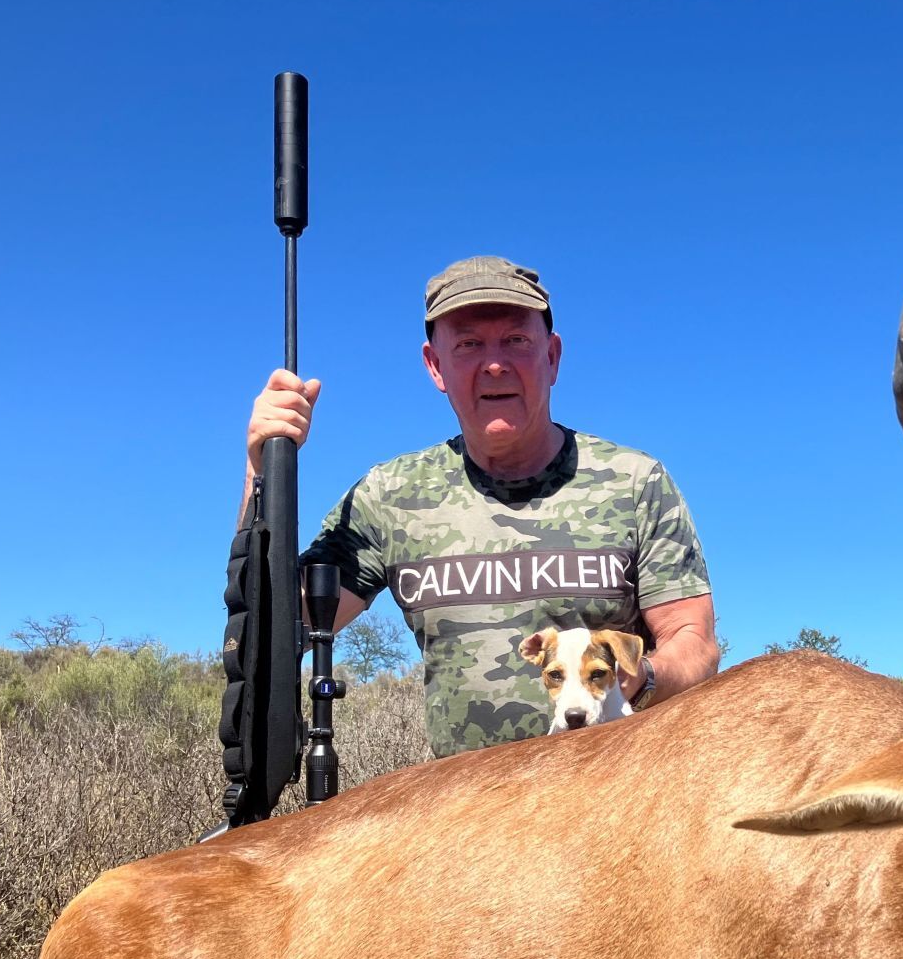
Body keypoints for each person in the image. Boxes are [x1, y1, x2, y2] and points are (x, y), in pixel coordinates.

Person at [239, 256, 719, 758]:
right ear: (436, 366)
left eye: (517, 340)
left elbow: (695, 643)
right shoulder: (388, 495)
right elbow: (276, 626)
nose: (494, 364)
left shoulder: (636, 481)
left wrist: (635, 678)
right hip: (465, 799)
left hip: (612, 784)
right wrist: (263, 470)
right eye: (468, 344)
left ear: (552, 357)